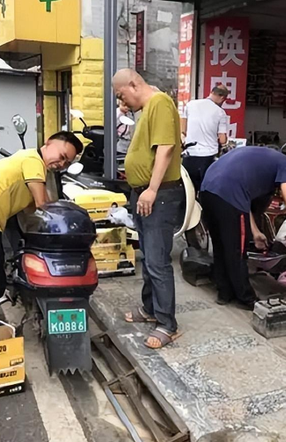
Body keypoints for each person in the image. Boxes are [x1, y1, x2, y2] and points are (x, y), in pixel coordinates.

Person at [0, 132, 83, 329]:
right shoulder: (33, 160)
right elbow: (43, 205)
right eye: (62, 156)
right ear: (48, 144)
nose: (61, 164)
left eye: (67, 163)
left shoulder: (30, 168)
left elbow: (31, 213)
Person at [113, 68, 184, 349]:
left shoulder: (160, 103)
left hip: (160, 195)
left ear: (133, 84)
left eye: (121, 95)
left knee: (157, 261)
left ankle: (168, 324)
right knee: (148, 257)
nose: (122, 102)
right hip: (143, 194)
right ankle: (150, 309)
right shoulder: (147, 109)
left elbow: (166, 148)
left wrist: (152, 189)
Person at [200, 147, 286, 309]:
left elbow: (244, 203)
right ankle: (246, 298)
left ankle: (224, 293)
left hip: (207, 191)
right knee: (237, 251)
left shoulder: (262, 157)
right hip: (228, 194)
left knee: (221, 246)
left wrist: (255, 233)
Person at [180, 85, 229, 191]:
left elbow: (183, 129)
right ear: (222, 98)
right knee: (205, 189)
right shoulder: (220, 112)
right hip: (208, 156)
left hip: (190, 154)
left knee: (188, 190)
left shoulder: (191, 104)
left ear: (212, 92)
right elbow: (222, 139)